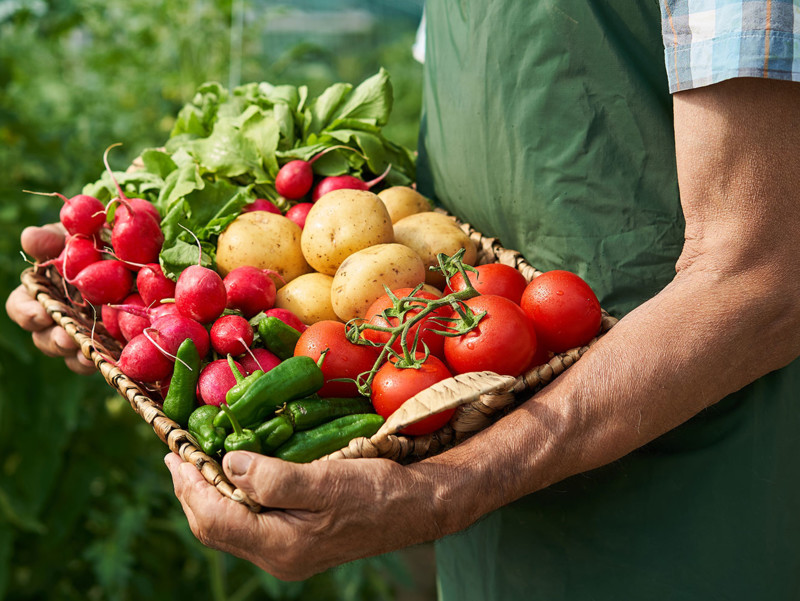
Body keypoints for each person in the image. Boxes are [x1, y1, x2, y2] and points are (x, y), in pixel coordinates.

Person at [8, 1, 800, 598]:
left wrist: (438, 493)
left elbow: (764, 277)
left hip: (690, 502)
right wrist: (143, 309)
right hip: (492, 472)